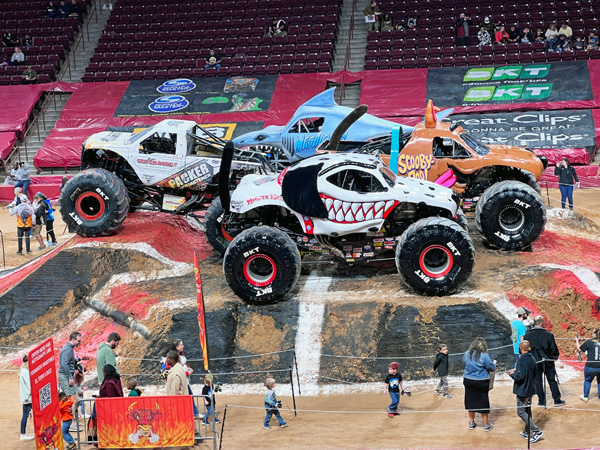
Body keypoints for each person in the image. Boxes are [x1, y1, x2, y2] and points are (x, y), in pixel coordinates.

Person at [523, 315, 565, 407]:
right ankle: (557, 401)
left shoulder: (528, 334)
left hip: (535, 362)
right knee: (552, 380)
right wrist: (553, 358)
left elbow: (525, 348)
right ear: (542, 323)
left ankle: (541, 401)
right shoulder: (548, 335)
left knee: (537, 381)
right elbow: (553, 349)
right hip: (548, 361)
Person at [507, 341, 543, 443]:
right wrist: (516, 369)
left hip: (523, 390)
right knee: (527, 410)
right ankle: (526, 431)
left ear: (522, 348)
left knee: (521, 412)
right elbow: (530, 370)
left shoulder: (521, 360)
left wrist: (511, 374)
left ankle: (536, 431)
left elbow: (519, 377)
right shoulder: (531, 357)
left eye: (519, 346)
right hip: (531, 388)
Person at [463, 337, 496, 431]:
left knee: (470, 401)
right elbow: (491, 367)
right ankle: (486, 425)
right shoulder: (484, 355)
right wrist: (495, 364)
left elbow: (465, 363)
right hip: (481, 381)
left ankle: (471, 423)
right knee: (483, 402)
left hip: (468, 380)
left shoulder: (466, 354)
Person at [58, 331, 83, 431]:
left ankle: (71, 422)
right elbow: (64, 364)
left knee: (72, 399)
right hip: (65, 376)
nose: (79, 343)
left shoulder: (69, 349)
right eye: (78, 341)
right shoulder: (67, 349)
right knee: (73, 400)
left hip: (66, 376)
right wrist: (69, 377)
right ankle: (71, 423)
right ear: (73, 339)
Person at [575, 329, 600, 401]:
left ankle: (585, 396)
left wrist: (577, 340)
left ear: (595, 335)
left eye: (592, 333)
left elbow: (579, 349)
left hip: (591, 366)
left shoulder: (590, 342)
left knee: (588, 380)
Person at [19, 355, 34, 441]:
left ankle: (23, 433)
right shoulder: (25, 371)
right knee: (25, 415)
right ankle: (23, 434)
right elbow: (29, 385)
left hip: (26, 397)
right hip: (28, 398)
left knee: (26, 415)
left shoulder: (23, 370)